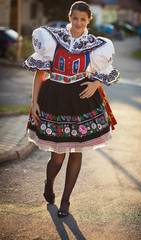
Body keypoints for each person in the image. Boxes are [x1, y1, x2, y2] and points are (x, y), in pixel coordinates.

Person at [23, 1, 120, 218]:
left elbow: (100, 71)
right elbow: (40, 74)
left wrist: (96, 83)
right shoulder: (52, 39)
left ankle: (66, 200)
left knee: (76, 152)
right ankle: (49, 184)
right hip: (54, 97)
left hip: (81, 99)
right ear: (69, 16)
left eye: (83, 19)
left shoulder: (96, 45)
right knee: (57, 156)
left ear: (88, 21)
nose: (78, 23)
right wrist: (34, 102)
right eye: (75, 18)